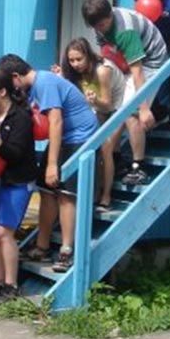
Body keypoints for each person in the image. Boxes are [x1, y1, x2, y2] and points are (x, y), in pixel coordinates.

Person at [0, 53, 98, 273]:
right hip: (62, 138)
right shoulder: (33, 88)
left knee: (65, 194)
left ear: (15, 76)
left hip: (79, 138)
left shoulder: (45, 83)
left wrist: (52, 164)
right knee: (46, 190)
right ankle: (42, 246)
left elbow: (56, 121)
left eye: (9, 84)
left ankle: (67, 249)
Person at [81, 0, 167, 185]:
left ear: (110, 15)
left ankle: (139, 167)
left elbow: (138, 72)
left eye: (102, 25)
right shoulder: (99, 26)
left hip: (151, 61)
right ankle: (117, 158)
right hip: (124, 60)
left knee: (131, 112)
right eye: (96, 26)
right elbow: (106, 52)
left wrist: (143, 108)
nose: (100, 29)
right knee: (116, 109)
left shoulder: (125, 31)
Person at [0, 70, 38, 306]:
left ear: (2, 91)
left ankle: (11, 285)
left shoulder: (21, 117)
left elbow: (16, 154)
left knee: (5, 232)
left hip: (16, 181)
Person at [58, 37, 125, 210]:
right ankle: (93, 193)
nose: (75, 64)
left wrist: (95, 100)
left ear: (88, 55)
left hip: (118, 105)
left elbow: (108, 104)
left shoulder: (102, 70)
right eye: (71, 60)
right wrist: (61, 78)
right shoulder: (75, 73)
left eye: (78, 59)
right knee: (94, 146)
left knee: (106, 148)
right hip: (98, 110)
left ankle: (106, 196)